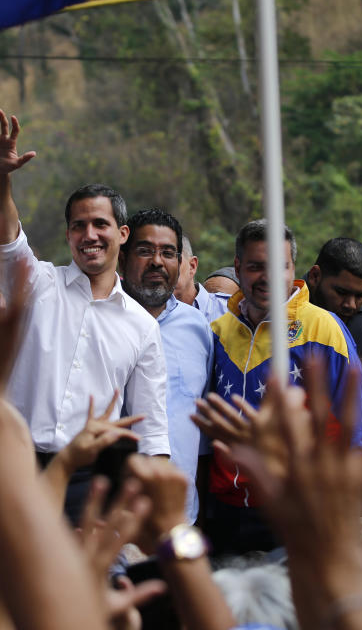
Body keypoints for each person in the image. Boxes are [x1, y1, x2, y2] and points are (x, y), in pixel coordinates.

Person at [0, 110, 169, 514]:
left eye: (100, 223)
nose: (89, 235)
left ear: (122, 233)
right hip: (16, 469)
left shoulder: (141, 327)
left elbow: (151, 430)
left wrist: (150, 511)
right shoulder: (35, 283)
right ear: (67, 236)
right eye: (78, 226)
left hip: (91, 485)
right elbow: (5, 233)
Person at [205, 219, 362, 555]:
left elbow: (354, 433)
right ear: (238, 268)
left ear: (294, 269)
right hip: (225, 513)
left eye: (278, 267)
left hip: (298, 512)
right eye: (254, 267)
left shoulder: (323, 328)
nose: (266, 278)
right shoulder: (218, 331)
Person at [120, 209, 213, 523]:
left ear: (182, 263)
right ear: (121, 258)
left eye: (168, 253)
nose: (157, 262)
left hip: (181, 517)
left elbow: (199, 430)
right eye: (145, 251)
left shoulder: (198, 328)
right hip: (113, 518)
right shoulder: (98, 320)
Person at [305, 237, 362, 363]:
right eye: (341, 292)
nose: (351, 305)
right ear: (315, 276)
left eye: (359, 296)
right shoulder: (284, 315)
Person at [174, 236, 230, 323]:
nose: (160, 265)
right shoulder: (148, 317)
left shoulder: (231, 310)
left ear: (192, 266)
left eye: (169, 256)